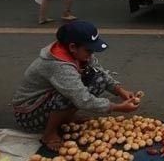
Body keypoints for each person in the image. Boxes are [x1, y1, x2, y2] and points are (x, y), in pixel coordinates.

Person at [12, 21, 142, 150]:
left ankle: (65, 118)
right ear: (73, 47)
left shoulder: (78, 53)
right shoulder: (59, 66)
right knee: (68, 96)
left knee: (98, 78)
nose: (91, 54)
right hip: (28, 113)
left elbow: (98, 71)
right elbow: (82, 99)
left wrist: (120, 91)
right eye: (89, 50)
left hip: (47, 101)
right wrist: (117, 107)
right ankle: (49, 134)